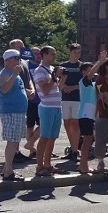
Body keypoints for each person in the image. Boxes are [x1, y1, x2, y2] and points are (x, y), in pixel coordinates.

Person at [0, 49, 29, 181]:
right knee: (12, 141)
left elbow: (15, 89)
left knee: (15, 141)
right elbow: (4, 89)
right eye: (16, 58)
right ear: (8, 60)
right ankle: (9, 171)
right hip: (11, 111)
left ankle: (6, 170)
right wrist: (15, 74)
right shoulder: (5, 74)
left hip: (19, 111)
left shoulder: (14, 74)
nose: (19, 60)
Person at [32, 45, 64, 176]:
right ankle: (39, 167)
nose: (54, 56)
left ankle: (48, 164)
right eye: (52, 54)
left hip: (57, 107)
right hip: (46, 108)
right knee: (44, 138)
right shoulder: (40, 71)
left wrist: (63, 77)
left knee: (52, 138)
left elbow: (59, 88)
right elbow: (44, 91)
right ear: (44, 55)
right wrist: (54, 78)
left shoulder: (51, 69)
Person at [77, 51, 106, 174]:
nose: (92, 73)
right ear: (84, 71)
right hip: (85, 114)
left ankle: (83, 165)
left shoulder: (92, 85)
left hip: (90, 115)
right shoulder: (84, 81)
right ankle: (83, 166)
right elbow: (90, 74)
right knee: (87, 140)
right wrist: (100, 62)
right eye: (90, 70)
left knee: (89, 140)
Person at [7, 39, 35, 162]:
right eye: (18, 47)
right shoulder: (10, 63)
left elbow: (28, 78)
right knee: (14, 127)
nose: (21, 49)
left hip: (25, 97)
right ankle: (14, 153)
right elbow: (12, 81)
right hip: (15, 99)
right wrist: (25, 90)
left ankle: (17, 151)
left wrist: (32, 89)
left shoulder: (24, 62)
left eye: (22, 46)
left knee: (20, 126)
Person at [59, 43, 83, 160]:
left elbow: (85, 83)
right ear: (70, 52)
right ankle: (73, 147)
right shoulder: (63, 65)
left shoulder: (82, 66)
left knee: (75, 123)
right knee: (67, 123)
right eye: (74, 52)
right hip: (65, 98)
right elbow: (58, 81)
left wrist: (73, 87)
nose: (76, 55)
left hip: (77, 99)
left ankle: (75, 150)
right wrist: (64, 87)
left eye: (79, 52)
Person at [24, 46, 42, 158]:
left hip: (42, 100)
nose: (38, 55)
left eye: (39, 53)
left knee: (43, 125)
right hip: (30, 100)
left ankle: (31, 145)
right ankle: (32, 150)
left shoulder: (43, 66)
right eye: (35, 53)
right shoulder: (25, 66)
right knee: (30, 125)